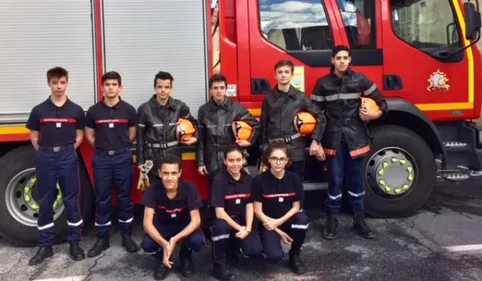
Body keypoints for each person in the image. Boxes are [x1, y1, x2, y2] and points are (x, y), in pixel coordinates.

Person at [310, 45, 388, 240]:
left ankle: (359, 220)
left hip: (356, 139)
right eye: (339, 58)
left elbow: (382, 102)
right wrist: (316, 141)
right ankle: (331, 219)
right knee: (334, 181)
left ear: (350, 59)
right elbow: (316, 115)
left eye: (345, 58)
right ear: (332, 60)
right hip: (333, 138)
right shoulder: (322, 84)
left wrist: (375, 113)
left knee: (356, 181)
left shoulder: (361, 80)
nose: (342, 61)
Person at [26, 67, 86, 265]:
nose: (59, 86)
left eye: (62, 82)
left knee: (71, 200)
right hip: (46, 158)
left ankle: (74, 242)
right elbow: (34, 137)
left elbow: (80, 136)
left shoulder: (76, 110)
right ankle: (45, 246)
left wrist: (67, 150)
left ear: (67, 82)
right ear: (49, 83)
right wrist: (47, 152)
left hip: (68, 157)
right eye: (55, 82)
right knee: (45, 201)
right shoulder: (39, 110)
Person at [84, 71, 139, 257]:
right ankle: (102, 238)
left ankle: (126, 235)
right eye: (107, 84)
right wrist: (103, 147)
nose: (110, 88)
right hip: (102, 159)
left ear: (120, 87)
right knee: (103, 198)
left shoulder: (129, 110)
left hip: (123, 157)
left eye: (114, 84)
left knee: (125, 198)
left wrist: (119, 147)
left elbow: (132, 135)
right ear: (102, 87)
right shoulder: (93, 111)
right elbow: (89, 135)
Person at [258, 59, 326, 180]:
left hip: (296, 151)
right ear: (275, 75)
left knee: (296, 189)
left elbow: (320, 116)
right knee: (273, 189)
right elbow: (263, 126)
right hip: (274, 151)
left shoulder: (300, 97)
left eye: (286, 72)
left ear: (292, 74)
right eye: (280, 72)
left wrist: (316, 140)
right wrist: (263, 149)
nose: (283, 75)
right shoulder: (268, 99)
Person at [141, 154, 205, 280]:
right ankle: (161, 259)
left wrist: (175, 239)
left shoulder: (189, 187)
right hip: (163, 226)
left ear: (179, 173)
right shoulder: (153, 189)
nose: (169, 178)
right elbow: (147, 223)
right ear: (159, 173)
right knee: (147, 245)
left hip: (183, 226)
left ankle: (185, 256)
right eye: (165, 173)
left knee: (198, 241)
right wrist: (164, 243)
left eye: (173, 173)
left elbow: (196, 220)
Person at [252, 141, 310, 274]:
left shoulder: (294, 179)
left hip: (284, 220)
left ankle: (294, 254)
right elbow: (257, 211)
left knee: (302, 220)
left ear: (287, 160)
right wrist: (277, 230)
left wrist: (279, 223)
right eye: (274, 158)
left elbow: (296, 207)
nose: (278, 162)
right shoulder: (259, 181)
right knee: (274, 257)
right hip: (267, 222)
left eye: (282, 159)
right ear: (268, 159)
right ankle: (265, 246)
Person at [209, 144, 263, 280]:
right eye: (231, 160)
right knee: (221, 227)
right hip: (223, 221)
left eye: (238, 160)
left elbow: (250, 205)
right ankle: (219, 264)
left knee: (254, 250)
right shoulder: (218, 180)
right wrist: (240, 228)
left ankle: (233, 249)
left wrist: (248, 229)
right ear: (225, 161)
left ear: (243, 160)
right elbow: (219, 212)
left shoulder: (249, 180)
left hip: (241, 220)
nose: (235, 164)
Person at [197, 73, 260, 187]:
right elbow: (201, 139)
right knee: (216, 195)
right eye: (215, 88)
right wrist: (201, 163)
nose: (219, 91)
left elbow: (256, 125)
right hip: (212, 161)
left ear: (226, 89)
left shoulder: (236, 108)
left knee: (236, 194)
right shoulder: (203, 110)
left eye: (222, 87)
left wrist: (250, 141)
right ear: (210, 90)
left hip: (233, 160)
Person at [137, 71, 198, 186]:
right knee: (154, 191)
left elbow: (194, 124)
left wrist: (195, 137)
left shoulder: (180, 106)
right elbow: (140, 137)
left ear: (171, 88)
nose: (163, 90)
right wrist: (140, 161)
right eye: (160, 87)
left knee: (173, 189)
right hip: (151, 157)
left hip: (174, 154)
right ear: (155, 88)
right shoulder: (144, 109)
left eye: (166, 87)